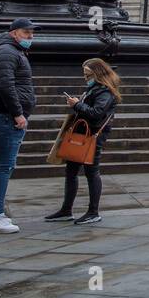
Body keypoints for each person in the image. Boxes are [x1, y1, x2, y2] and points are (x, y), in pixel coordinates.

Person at [46, 58, 119, 226]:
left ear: (98, 73)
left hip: (93, 136)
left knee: (91, 172)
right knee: (71, 171)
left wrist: (77, 105)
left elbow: (96, 113)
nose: (86, 78)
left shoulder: (105, 91)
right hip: (81, 136)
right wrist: (78, 103)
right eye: (85, 75)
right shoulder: (94, 89)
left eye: (88, 75)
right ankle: (66, 210)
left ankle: (93, 212)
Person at [0, 17, 37, 234]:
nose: (31, 36)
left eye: (32, 33)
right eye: (26, 32)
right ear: (14, 33)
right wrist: (18, 114)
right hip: (6, 117)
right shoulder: (7, 52)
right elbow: (6, 86)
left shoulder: (12, 51)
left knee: (0, 166)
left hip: (4, 116)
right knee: (3, 167)